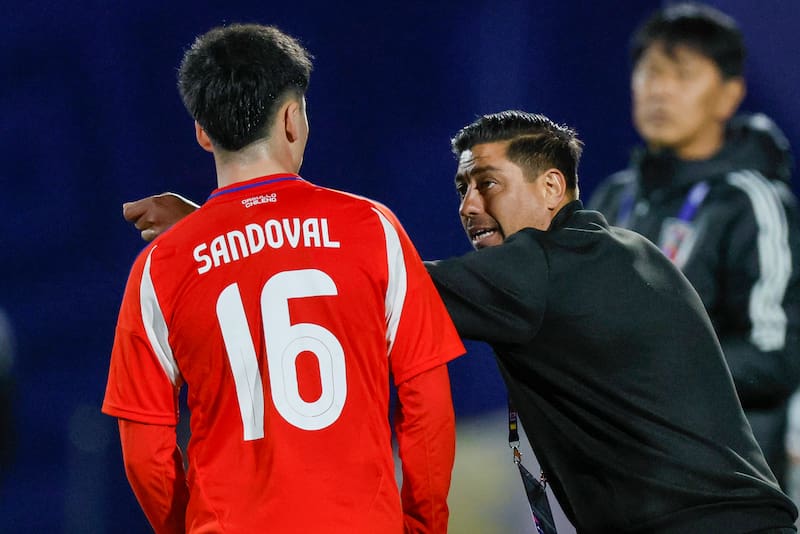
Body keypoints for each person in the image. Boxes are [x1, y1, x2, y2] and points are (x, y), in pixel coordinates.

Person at [125, 110, 799, 532]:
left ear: (553, 188)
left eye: (488, 182)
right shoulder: (612, 254)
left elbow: (365, 287)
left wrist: (213, 231)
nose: (471, 204)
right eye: (461, 189)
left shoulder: (548, 267)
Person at [102, 23, 464, 534]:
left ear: (203, 131)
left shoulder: (158, 269)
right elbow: (426, 402)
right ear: (293, 119)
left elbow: (144, 450)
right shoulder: (373, 230)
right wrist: (424, 525)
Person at [587, 2, 800, 489]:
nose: (660, 90)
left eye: (682, 75)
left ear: (729, 95)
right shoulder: (614, 198)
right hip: (618, 479)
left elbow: (777, 354)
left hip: (720, 487)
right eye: (649, 73)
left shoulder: (752, 202)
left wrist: (656, 376)